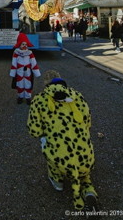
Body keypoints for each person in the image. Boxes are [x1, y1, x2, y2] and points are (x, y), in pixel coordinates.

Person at [27, 70, 98, 211]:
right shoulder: (78, 96)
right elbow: (88, 123)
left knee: (50, 145)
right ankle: (88, 188)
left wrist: (45, 135)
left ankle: (57, 180)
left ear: (46, 84)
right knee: (82, 171)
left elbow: (34, 131)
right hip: (86, 157)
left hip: (60, 158)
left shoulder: (39, 99)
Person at [10, 33, 41, 104]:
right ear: (19, 44)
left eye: (26, 44)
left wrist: (37, 73)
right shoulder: (16, 53)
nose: (24, 46)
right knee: (20, 84)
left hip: (28, 72)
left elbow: (34, 63)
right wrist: (13, 73)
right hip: (19, 72)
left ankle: (28, 97)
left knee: (28, 84)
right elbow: (14, 64)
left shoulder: (30, 53)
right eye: (23, 44)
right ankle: (20, 97)